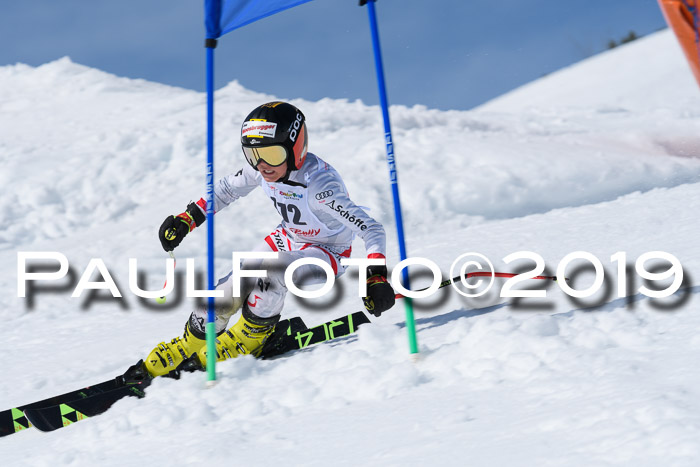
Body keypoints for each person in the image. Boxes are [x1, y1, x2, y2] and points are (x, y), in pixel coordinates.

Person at [144, 101, 395, 377]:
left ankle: (251, 337)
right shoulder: (264, 168)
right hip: (287, 238)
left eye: (273, 154)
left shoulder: (321, 188)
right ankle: (191, 343)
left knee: (274, 270)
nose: (262, 165)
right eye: (254, 155)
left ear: (295, 149)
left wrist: (375, 277)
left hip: (327, 253)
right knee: (226, 290)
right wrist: (188, 218)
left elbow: (371, 229)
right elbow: (227, 189)